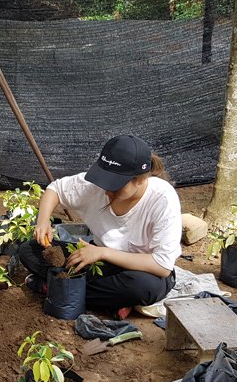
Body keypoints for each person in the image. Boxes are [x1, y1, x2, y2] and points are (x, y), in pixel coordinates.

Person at [19, 135, 181, 316]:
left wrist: (102, 252)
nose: (107, 190)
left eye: (116, 186)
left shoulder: (162, 198)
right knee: (30, 249)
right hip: (98, 262)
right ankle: (104, 298)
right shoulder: (97, 186)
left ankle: (55, 288)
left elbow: (162, 265)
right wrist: (43, 221)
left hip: (141, 269)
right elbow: (55, 189)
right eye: (105, 181)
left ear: (141, 179)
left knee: (145, 287)